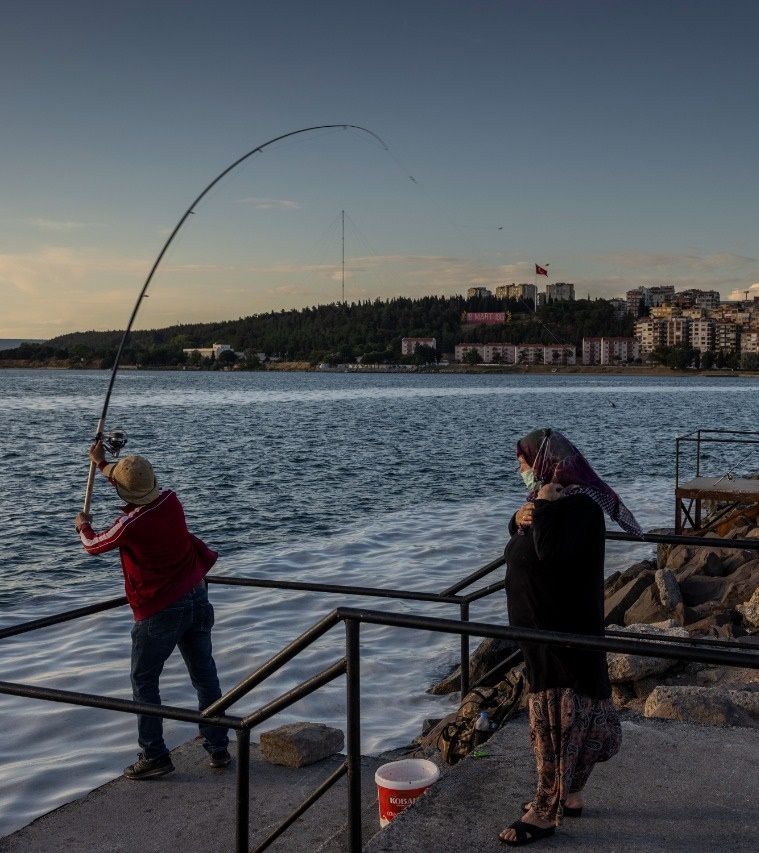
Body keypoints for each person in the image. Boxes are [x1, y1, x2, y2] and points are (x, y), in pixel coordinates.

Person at [498, 428, 642, 846]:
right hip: (543, 634)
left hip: (561, 636)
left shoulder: (577, 505)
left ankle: (545, 811)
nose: (520, 468)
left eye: (524, 461)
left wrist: (540, 508)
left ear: (545, 462)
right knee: (563, 718)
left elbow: (551, 553)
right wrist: (520, 516)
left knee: (555, 723)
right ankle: (571, 794)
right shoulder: (551, 500)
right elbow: (526, 541)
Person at [74, 440, 230, 780]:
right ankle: (219, 747)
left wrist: (83, 524)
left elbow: (93, 545)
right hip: (197, 596)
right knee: (204, 674)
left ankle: (155, 755)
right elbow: (135, 487)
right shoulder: (171, 500)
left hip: (161, 609)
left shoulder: (130, 525)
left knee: (144, 681)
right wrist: (102, 464)